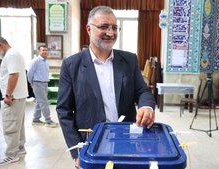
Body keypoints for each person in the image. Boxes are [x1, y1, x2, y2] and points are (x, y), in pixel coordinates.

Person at [56, 5, 156, 167]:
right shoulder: (72, 65)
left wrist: (146, 106)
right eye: (104, 27)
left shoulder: (129, 60)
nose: (110, 33)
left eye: (114, 28)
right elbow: (64, 111)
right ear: (89, 29)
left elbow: (142, 90)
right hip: (91, 144)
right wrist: (77, 151)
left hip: (127, 140)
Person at [0, 36, 28, 166]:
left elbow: (13, 75)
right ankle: (19, 151)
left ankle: (11, 155)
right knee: (18, 126)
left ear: (0, 45)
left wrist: (8, 94)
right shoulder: (15, 53)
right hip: (18, 97)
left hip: (13, 98)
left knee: (10, 126)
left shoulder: (11, 55)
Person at [27, 45, 58, 127]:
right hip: (37, 83)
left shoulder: (46, 61)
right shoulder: (35, 61)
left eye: (46, 50)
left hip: (44, 83)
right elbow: (29, 73)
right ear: (39, 51)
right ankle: (48, 121)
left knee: (39, 101)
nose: (45, 51)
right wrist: (32, 83)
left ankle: (36, 119)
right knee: (44, 102)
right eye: (43, 50)